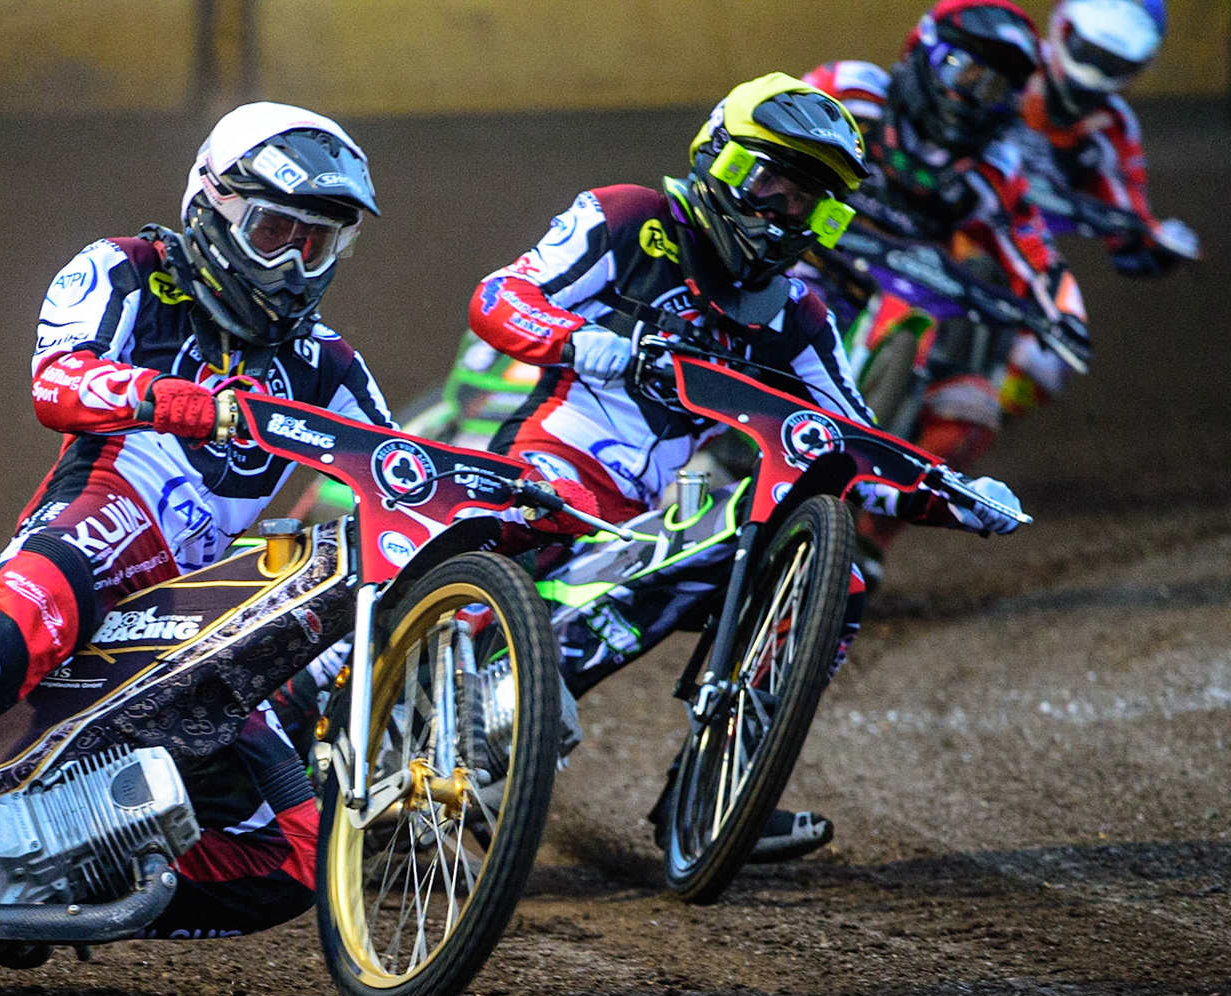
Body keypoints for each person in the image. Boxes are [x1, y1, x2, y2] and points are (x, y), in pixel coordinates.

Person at [0, 102, 603, 929]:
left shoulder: (328, 363)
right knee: (27, 613)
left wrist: (521, 505)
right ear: (212, 207)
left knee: (297, 856)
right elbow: (56, 382)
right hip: (99, 531)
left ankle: (40, 885)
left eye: (319, 242)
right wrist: (176, 402)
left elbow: (398, 473)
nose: (297, 264)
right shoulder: (124, 271)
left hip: (196, 611)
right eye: (275, 233)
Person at [465, 73, 1027, 861]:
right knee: (472, 608)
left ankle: (716, 788)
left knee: (837, 581)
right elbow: (500, 296)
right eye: (767, 182)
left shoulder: (797, 313)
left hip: (657, 510)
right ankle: (416, 712)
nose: (779, 212)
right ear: (716, 158)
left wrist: (953, 493)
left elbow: (854, 438)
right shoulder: (630, 217)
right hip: (550, 469)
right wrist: (581, 343)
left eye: (806, 203)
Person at [803, 0, 1081, 570]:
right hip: (800, 266)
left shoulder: (993, 167)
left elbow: (1034, 251)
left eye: (993, 85)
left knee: (982, 402)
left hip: (893, 298)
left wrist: (1065, 317)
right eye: (963, 70)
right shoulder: (851, 93)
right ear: (922, 54)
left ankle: (864, 543)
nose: (971, 94)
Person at [1000, 0, 1199, 418]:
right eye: (1090, 53)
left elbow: (1130, 220)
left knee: (1046, 366)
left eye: (1112, 63)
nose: (1091, 74)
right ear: (1062, 28)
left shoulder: (1113, 129)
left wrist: (1153, 245)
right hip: (929, 206)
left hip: (1020, 251)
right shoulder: (1005, 57)